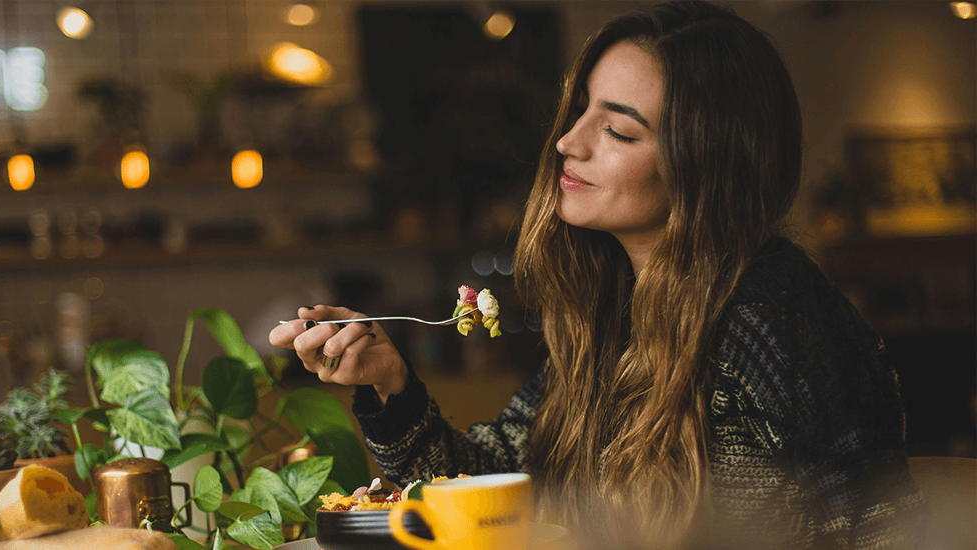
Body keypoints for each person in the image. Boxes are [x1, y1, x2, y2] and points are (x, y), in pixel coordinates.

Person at [269, 1, 926, 548]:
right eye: (580, 109)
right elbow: (494, 483)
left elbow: (877, 526)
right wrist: (391, 384)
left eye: (618, 130)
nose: (568, 142)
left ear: (705, 167)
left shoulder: (770, 311)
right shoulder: (615, 313)